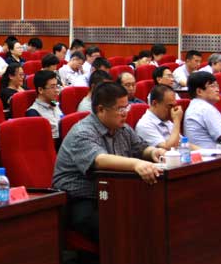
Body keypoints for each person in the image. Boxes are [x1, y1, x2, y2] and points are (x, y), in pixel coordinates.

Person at [52, 82, 164, 242]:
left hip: (112, 191)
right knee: (120, 226)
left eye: (127, 107)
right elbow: (99, 159)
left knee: (152, 213)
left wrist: (154, 152)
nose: (125, 113)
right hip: (80, 198)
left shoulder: (122, 128)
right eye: (120, 109)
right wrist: (136, 164)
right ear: (101, 109)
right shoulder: (82, 132)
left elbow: (140, 148)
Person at [184, 72, 221, 149]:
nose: (217, 90)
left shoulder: (196, 106)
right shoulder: (204, 108)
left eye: (217, 86)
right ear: (199, 91)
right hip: (212, 154)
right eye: (212, 86)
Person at [135, 84, 192, 149]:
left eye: (174, 105)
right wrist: (177, 121)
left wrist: (200, 150)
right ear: (155, 103)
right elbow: (169, 148)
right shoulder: (145, 125)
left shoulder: (165, 120)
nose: (173, 110)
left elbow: (183, 143)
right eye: (170, 106)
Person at [25, 70, 63, 139]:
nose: (57, 90)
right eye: (52, 87)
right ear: (40, 90)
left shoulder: (54, 103)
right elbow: (41, 140)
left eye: (57, 86)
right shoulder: (33, 112)